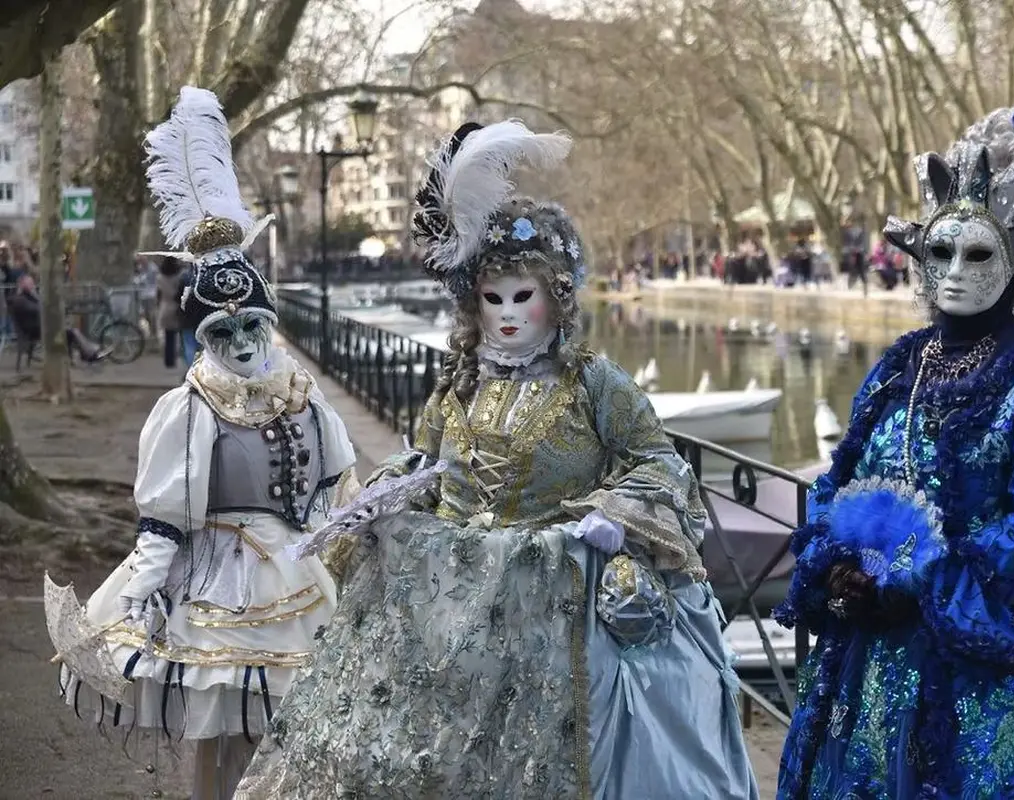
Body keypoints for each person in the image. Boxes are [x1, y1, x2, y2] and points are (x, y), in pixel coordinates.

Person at [235, 120, 757, 799]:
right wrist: (388, 497)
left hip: (558, 602)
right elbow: (427, 463)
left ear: (556, 298)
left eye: (523, 296)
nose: (509, 315)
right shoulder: (458, 382)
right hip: (453, 608)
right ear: (472, 304)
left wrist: (613, 513)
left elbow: (661, 464)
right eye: (494, 299)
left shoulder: (595, 384)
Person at [773, 108, 1014, 798]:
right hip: (874, 660)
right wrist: (841, 564)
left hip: (1000, 651)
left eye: (978, 253)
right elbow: (845, 478)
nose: (955, 271)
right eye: (941, 251)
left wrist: (923, 576)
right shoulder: (903, 363)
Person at [54, 87, 358, 800]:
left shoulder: (303, 393)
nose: (245, 344)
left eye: (253, 326)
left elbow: (334, 489)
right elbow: (163, 518)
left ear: (269, 323)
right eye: (225, 333)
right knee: (221, 724)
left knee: (296, 723)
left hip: (300, 574)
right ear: (203, 337)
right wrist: (136, 595)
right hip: (217, 578)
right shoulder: (186, 409)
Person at [7, 273, 107, 362]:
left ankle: (87, 353)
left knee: (71, 330)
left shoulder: (28, 297)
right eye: (29, 283)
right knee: (72, 331)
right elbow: (38, 309)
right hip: (34, 330)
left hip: (41, 327)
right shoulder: (19, 299)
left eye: (32, 283)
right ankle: (89, 353)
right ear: (21, 284)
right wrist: (37, 297)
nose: (32, 285)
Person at [156, 255, 196, 369]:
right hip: (178, 308)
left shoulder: (159, 277)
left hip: (165, 307)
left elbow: (158, 294)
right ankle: (188, 363)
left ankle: (169, 361)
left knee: (169, 336)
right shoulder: (179, 276)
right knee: (184, 338)